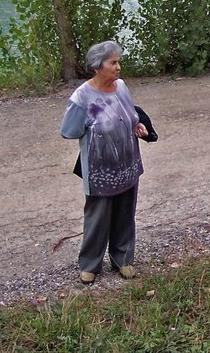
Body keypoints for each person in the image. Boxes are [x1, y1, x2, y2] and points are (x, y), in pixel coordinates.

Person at [61, 40, 148, 284]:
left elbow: (131, 116)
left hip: (128, 162)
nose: (118, 67)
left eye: (118, 61)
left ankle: (123, 259)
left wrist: (138, 126)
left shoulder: (121, 87)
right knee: (97, 217)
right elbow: (70, 130)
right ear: (97, 67)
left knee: (125, 213)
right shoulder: (82, 97)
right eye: (113, 62)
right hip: (100, 169)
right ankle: (90, 264)